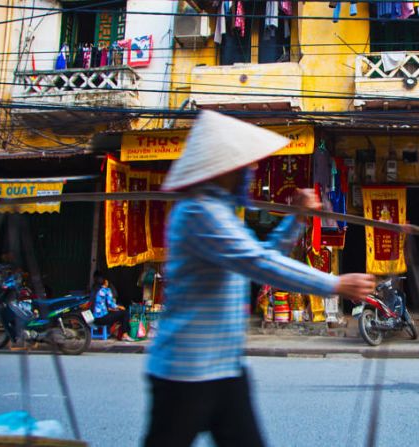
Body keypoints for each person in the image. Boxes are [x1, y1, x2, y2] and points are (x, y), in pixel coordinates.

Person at [143, 111, 376, 447]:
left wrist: (296, 218)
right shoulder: (199, 213)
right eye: (244, 163)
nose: (252, 170)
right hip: (185, 370)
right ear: (223, 168)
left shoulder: (221, 211)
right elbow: (258, 262)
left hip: (224, 368)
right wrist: (334, 284)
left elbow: (265, 254)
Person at [92, 276, 134, 342]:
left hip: (95, 318)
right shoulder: (106, 290)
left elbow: (102, 305)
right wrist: (120, 307)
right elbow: (111, 304)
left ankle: (120, 333)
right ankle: (124, 334)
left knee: (120, 314)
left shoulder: (95, 290)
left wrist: (114, 309)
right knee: (125, 313)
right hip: (102, 318)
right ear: (105, 282)